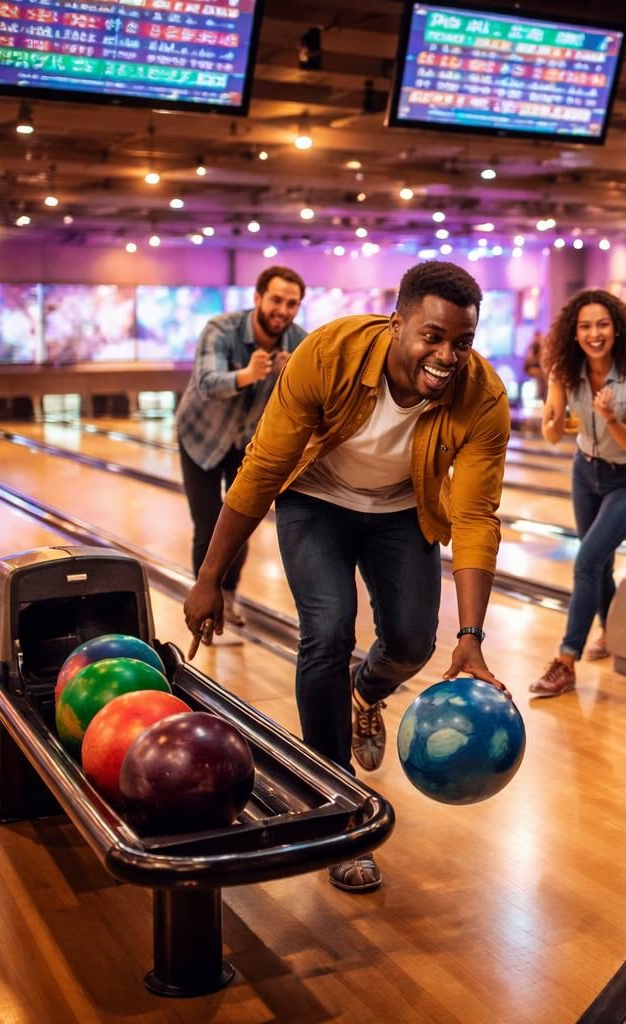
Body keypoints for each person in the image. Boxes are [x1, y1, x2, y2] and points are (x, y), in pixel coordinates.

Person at [182, 262, 511, 893]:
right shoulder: (326, 355)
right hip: (316, 501)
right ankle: (337, 807)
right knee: (328, 630)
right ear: (397, 323)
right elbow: (262, 469)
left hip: (401, 511)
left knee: (413, 643)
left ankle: (366, 693)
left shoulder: (483, 397)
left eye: (462, 341)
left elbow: (475, 516)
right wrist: (210, 579)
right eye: (433, 336)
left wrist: (471, 636)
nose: (447, 355)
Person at [531, 289, 626, 698]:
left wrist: (609, 417)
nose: (594, 333)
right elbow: (553, 436)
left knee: (587, 559)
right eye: (585, 326)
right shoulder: (565, 372)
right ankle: (614, 631)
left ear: (617, 329)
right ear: (574, 333)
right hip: (585, 473)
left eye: (602, 324)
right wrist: (552, 418)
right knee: (597, 564)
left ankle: (566, 661)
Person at [175, 266, 307, 631]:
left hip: (249, 442)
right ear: (258, 298)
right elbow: (206, 382)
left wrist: (289, 376)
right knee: (207, 522)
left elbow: (310, 398)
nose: (283, 310)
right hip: (200, 437)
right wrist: (248, 374)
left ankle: (228, 596)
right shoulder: (221, 329)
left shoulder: (300, 342)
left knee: (238, 520)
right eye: (276, 300)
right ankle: (203, 597)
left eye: (292, 304)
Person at [522, 331, 548, 404]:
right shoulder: (531, 348)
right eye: (537, 337)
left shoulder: (542, 347)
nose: (538, 339)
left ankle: (544, 395)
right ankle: (542, 396)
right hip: (530, 369)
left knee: (545, 375)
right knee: (542, 375)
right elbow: (528, 363)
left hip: (539, 369)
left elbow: (542, 362)